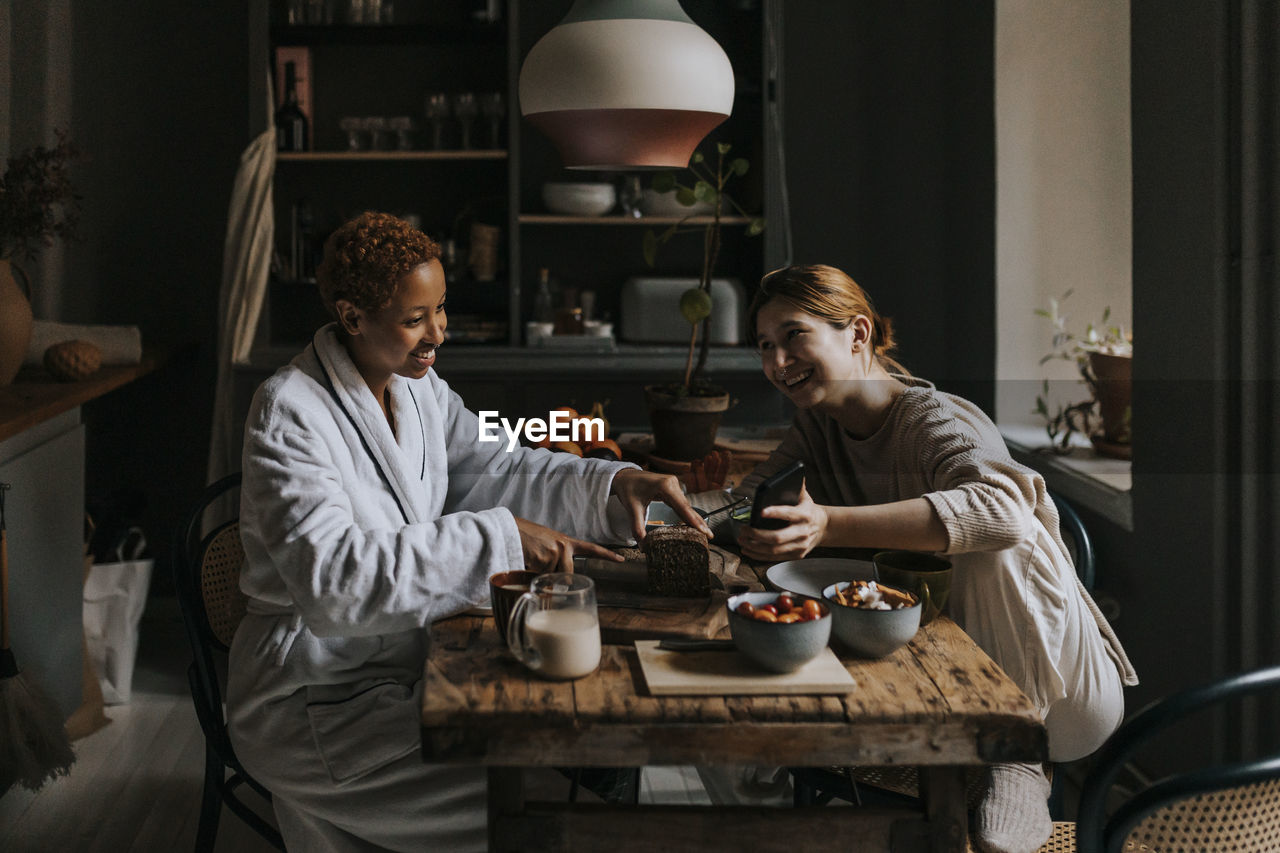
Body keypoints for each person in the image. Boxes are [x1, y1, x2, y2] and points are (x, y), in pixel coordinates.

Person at [226, 211, 708, 852]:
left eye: (442, 309)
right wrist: (503, 539)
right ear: (351, 317)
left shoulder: (419, 390)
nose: (438, 334)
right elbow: (333, 582)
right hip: (314, 698)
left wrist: (612, 484)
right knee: (544, 816)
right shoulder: (288, 412)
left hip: (409, 665)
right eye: (414, 319)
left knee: (577, 762)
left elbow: (500, 462)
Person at [699, 264, 1136, 853]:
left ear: (857, 334)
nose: (778, 362)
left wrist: (827, 523)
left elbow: (1004, 513)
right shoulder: (819, 429)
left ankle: (1016, 759)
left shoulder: (934, 419)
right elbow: (748, 503)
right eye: (765, 347)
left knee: (998, 528)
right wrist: (661, 504)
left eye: (794, 336)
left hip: (1061, 698)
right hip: (945, 674)